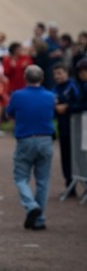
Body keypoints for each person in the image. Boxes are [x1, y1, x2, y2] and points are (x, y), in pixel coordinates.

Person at [5, 65, 55, 230]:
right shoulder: (50, 96)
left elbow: (9, 112)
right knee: (43, 181)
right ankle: (39, 218)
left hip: (25, 139)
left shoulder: (18, 95)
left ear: (25, 78)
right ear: (41, 78)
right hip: (46, 138)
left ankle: (31, 204)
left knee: (20, 177)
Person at [52, 63, 81, 198]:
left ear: (66, 73)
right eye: (55, 74)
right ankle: (70, 185)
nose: (58, 76)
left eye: (60, 73)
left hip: (76, 127)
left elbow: (79, 103)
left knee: (79, 157)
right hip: (63, 127)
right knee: (65, 156)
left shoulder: (73, 86)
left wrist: (67, 107)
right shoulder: (55, 89)